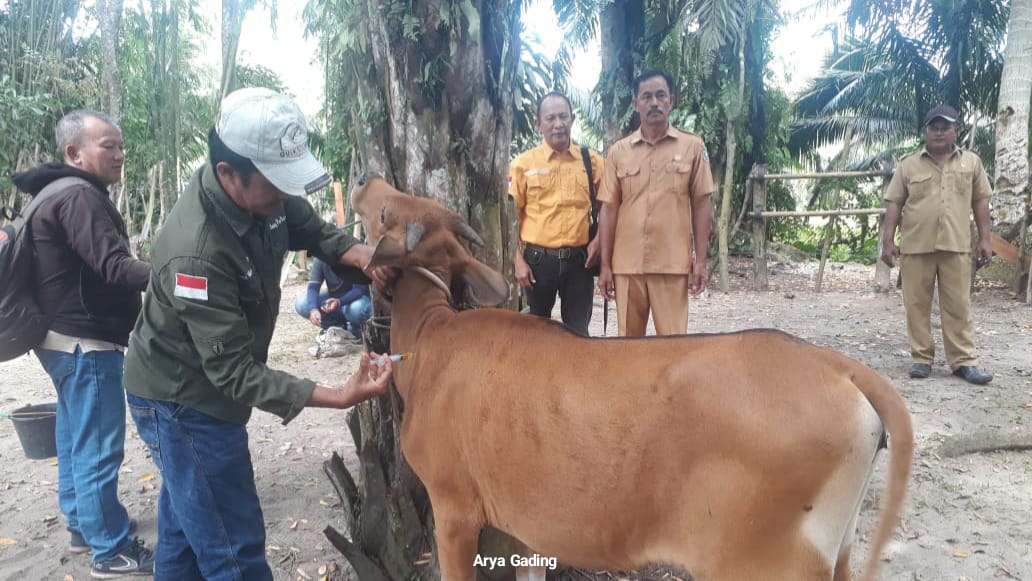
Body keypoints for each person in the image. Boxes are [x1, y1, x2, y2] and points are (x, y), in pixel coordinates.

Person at [121, 87, 395, 580]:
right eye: (277, 185)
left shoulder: (265, 196)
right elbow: (233, 373)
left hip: (198, 387)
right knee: (234, 550)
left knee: (187, 533)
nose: (288, 196)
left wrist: (358, 254)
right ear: (229, 174)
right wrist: (339, 393)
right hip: (185, 400)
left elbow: (311, 229)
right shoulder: (197, 254)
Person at [11, 110, 155, 577]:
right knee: (97, 444)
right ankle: (110, 549)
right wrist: (175, 271)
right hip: (84, 339)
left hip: (59, 338)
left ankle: (83, 524)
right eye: (107, 146)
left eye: (120, 145)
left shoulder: (51, 192)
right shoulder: (78, 196)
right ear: (74, 153)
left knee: (75, 436)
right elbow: (115, 267)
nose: (119, 154)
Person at [596, 69, 715, 336]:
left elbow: (701, 204)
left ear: (671, 101)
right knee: (628, 348)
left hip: (671, 265)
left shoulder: (692, 147)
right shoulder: (619, 152)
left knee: (672, 347)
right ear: (635, 104)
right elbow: (609, 208)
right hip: (627, 266)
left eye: (661, 95)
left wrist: (701, 261)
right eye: (646, 97)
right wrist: (605, 265)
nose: (654, 103)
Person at [881, 104, 994, 384]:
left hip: (956, 245)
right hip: (916, 246)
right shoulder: (908, 164)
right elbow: (894, 203)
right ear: (925, 132)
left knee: (959, 305)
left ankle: (963, 362)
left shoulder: (972, 163)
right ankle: (921, 358)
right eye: (934, 127)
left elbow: (981, 202)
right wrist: (887, 241)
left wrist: (985, 239)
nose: (939, 132)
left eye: (946, 127)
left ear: (956, 131)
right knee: (916, 304)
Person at [509, 91, 603, 336]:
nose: (558, 124)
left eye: (563, 117)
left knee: (578, 334)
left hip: (580, 262)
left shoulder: (591, 161)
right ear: (538, 123)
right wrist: (517, 261)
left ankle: (575, 375)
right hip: (537, 263)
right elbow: (510, 218)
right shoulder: (522, 164)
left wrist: (600, 239)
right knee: (535, 334)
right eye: (550, 118)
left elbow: (611, 206)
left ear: (572, 119)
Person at [293, 257, 372, 340]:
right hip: (333, 301)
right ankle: (337, 328)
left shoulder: (353, 256)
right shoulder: (321, 258)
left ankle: (356, 329)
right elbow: (313, 288)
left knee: (358, 308)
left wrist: (339, 302)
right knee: (302, 304)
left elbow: (359, 289)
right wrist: (313, 309)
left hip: (354, 301)